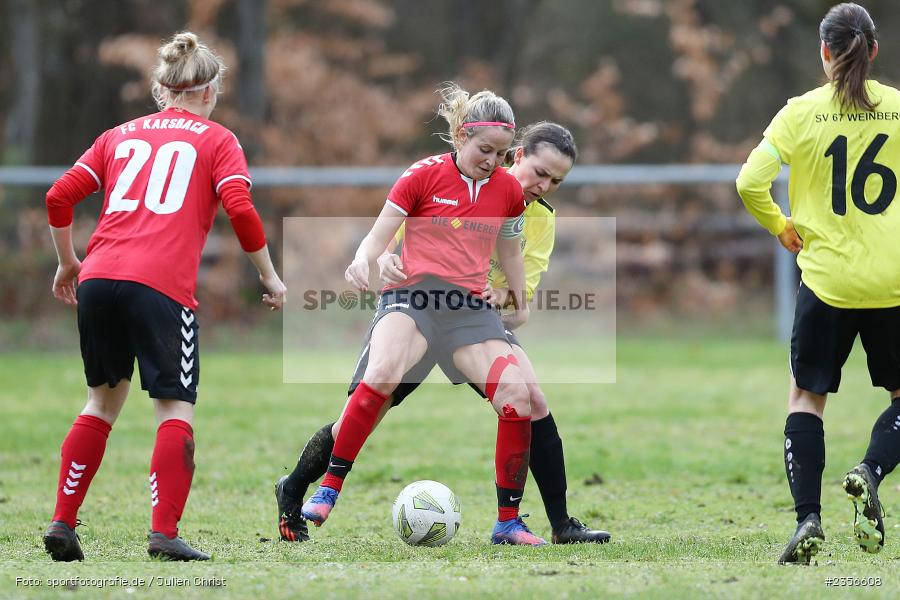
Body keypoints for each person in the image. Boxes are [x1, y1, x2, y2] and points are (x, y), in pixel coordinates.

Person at [275, 122, 610, 545]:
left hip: (474, 317)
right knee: (361, 416)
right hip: (418, 306)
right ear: (518, 155)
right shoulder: (459, 180)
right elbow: (396, 235)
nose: (544, 186)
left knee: (530, 398)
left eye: (556, 181)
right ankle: (295, 486)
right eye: (540, 173)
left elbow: (522, 291)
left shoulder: (538, 218)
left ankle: (559, 524)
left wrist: (505, 293)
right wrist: (382, 262)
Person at [42, 32, 286, 562]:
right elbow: (240, 209)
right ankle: (164, 533)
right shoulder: (217, 139)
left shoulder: (118, 136)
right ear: (209, 90)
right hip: (160, 287)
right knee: (174, 407)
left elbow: (58, 196)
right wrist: (268, 274)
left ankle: (62, 522)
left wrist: (67, 262)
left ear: (162, 87)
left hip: (99, 279)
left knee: (100, 404)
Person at [737, 3, 900, 564]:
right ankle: (870, 470)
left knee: (807, 398)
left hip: (826, 280)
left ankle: (809, 519)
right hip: (894, 282)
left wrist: (780, 225)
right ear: (874, 51)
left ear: (824, 52)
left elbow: (750, 182)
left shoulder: (801, 112)